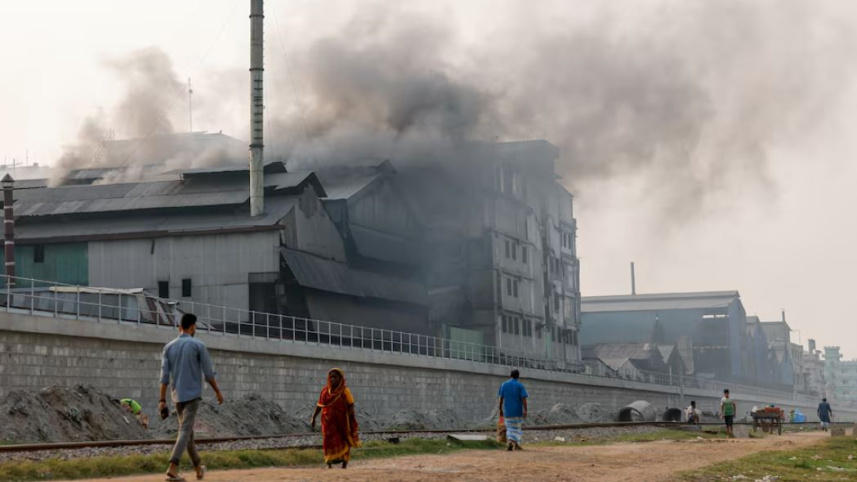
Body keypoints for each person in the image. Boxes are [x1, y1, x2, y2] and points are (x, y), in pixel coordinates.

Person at [158, 313, 224, 482]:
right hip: (192, 395)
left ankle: (198, 468)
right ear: (193, 327)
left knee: (188, 434)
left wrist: (162, 400)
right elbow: (209, 373)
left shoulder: (169, 347)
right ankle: (173, 466)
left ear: (180, 327)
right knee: (185, 431)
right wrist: (217, 391)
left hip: (177, 396)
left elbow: (164, 377)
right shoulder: (198, 345)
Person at [311, 368, 361, 469]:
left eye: (335, 377)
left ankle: (344, 463)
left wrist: (348, 416)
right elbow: (319, 405)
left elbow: (351, 405)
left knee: (343, 439)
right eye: (331, 377)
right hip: (327, 422)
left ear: (340, 379)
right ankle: (329, 463)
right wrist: (313, 417)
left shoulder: (345, 391)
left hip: (341, 421)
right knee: (327, 440)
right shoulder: (325, 391)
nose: (333, 379)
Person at [498, 369, 528, 451]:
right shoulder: (520, 385)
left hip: (508, 411)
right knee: (517, 428)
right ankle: (515, 443)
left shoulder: (504, 385)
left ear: (510, 375)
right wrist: (525, 410)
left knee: (509, 427)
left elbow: (501, 398)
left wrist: (500, 409)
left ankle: (511, 442)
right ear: (518, 376)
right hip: (518, 411)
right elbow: (524, 398)